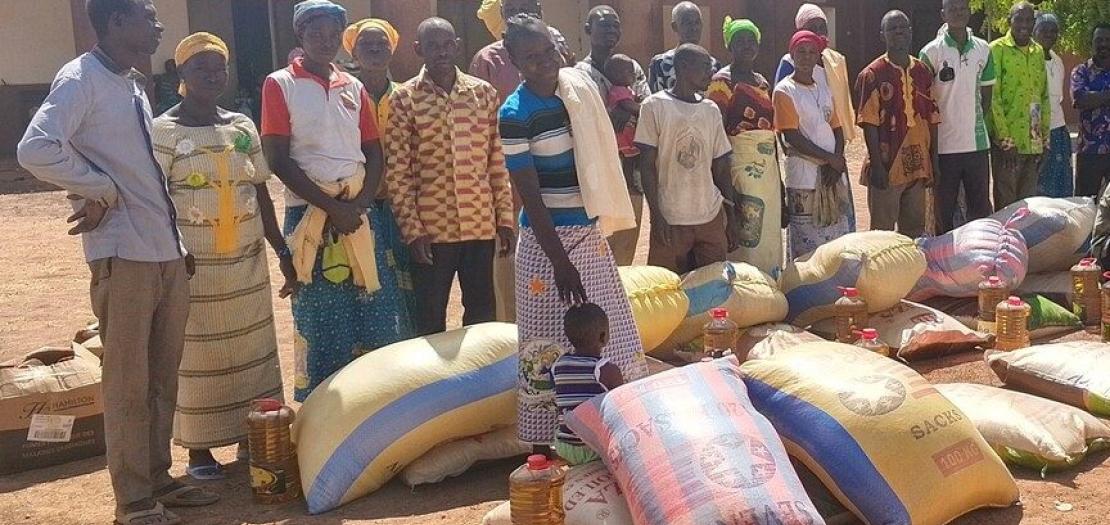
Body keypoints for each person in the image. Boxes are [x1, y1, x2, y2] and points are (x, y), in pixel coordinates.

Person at [17, 1, 219, 523]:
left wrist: (176, 242)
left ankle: (156, 478)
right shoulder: (79, 79)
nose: (157, 26)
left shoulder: (130, 82)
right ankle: (133, 501)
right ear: (114, 23)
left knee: (160, 376)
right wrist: (96, 188)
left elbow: (138, 168)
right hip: (123, 254)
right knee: (127, 381)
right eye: (146, 17)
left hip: (162, 250)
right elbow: (35, 148)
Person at [499, 14, 647, 450]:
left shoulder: (575, 92)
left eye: (549, 51)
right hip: (548, 251)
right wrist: (561, 265)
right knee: (548, 349)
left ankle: (614, 432)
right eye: (531, 57)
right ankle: (550, 447)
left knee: (611, 334)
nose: (544, 62)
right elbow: (531, 197)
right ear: (515, 61)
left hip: (589, 237)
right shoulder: (515, 114)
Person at [151, 32, 291, 480]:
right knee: (199, 357)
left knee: (253, 352)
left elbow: (261, 191)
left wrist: (281, 251)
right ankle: (198, 450)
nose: (212, 76)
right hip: (195, 269)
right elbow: (156, 200)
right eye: (200, 69)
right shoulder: (163, 132)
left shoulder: (241, 126)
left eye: (219, 68)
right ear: (180, 74)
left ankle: (255, 435)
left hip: (247, 266)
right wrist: (173, 250)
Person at [261, 0, 400, 401]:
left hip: (357, 213)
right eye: (315, 32)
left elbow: (373, 152)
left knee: (371, 307)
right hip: (311, 215)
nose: (325, 40)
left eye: (332, 32)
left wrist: (359, 205)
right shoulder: (280, 84)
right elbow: (278, 159)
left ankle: (370, 407)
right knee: (320, 316)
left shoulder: (352, 86)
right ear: (300, 36)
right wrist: (332, 208)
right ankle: (322, 413)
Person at [386, 18, 515, 336]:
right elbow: (398, 172)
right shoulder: (404, 99)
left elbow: (496, 161)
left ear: (456, 45)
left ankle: (480, 384)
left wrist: (505, 220)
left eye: (446, 45)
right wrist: (413, 231)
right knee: (430, 315)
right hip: (432, 231)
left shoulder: (482, 94)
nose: (441, 52)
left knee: (482, 311)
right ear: (419, 49)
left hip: (479, 224)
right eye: (432, 45)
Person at [469, 0, 543, 324]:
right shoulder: (487, 60)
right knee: (508, 259)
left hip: (549, 174)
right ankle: (510, 334)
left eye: (529, 5)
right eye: (513, 7)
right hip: (505, 180)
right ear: (503, 15)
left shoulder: (553, 52)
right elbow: (478, 127)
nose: (521, 13)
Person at [636, 44, 738, 274]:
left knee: (713, 288)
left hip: (708, 215)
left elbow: (721, 167)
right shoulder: (654, 106)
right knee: (667, 287)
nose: (709, 74)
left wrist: (730, 216)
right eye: (703, 67)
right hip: (671, 218)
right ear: (683, 66)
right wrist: (656, 216)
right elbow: (647, 166)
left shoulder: (710, 110)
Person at [343, 18, 418, 327]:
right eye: (366, 44)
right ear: (353, 52)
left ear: (392, 50)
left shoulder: (407, 96)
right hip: (356, 204)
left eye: (382, 43)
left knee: (407, 278)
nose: (374, 49)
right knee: (366, 279)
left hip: (402, 205)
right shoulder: (343, 96)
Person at [706, 17, 784, 276]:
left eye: (751, 41)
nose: (747, 46)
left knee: (768, 231)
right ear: (730, 46)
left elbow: (770, 131)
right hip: (737, 165)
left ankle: (770, 288)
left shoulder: (762, 82)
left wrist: (780, 181)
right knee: (744, 229)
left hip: (767, 170)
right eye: (740, 41)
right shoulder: (721, 82)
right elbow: (717, 131)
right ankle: (747, 289)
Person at [575, 5, 650, 265]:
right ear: (588, 29)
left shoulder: (632, 67)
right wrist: (615, 115)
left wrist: (625, 114)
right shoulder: (579, 74)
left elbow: (647, 109)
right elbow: (584, 120)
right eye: (604, 24)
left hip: (631, 171)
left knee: (627, 243)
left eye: (615, 25)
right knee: (597, 246)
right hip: (598, 173)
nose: (611, 30)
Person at [856, 11, 940, 238]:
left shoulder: (923, 72)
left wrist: (934, 160)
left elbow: (933, 118)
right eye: (892, 28)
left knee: (914, 231)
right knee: (881, 235)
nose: (899, 32)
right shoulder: (872, 75)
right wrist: (877, 166)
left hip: (918, 163)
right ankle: (882, 275)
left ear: (911, 32)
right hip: (887, 163)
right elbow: (868, 122)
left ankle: (909, 274)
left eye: (903, 27)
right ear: (882, 35)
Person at [919, 0, 996, 233]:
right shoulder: (930, 52)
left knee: (980, 210)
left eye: (963, 9)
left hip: (976, 146)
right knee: (943, 213)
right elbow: (923, 102)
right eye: (952, 9)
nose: (958, 13)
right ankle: (944, 265)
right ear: (943, 14)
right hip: (943, 148)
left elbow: (986, 98)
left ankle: (979, 260)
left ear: (970, 12)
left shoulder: (984, 49)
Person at [774, 30, 852, 259]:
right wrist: (831, 160)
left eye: (812, 52)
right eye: (801, 52)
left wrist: (836, 161)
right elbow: (792, 137)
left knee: (834, 240)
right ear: (792, 55)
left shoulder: (824, 89)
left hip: (832, 174)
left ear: (818, 56)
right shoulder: (784, 91)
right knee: (807, 243)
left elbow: (837, 128)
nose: (807, 57)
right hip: (805, 176)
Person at [988, 1, 1050, 210]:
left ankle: (1024, 244)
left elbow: (1042, 97)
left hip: (1032, 143)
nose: (1024, 24)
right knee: (1006, 206)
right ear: (1009, 21)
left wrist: (1043, 139)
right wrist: (1005, 141)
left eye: (1029, 20)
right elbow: (993, 98)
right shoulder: (997, 50)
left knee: (1028, 207)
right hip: (1008, 145)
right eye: (1019, 19)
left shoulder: (1038, 51)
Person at [550, 303, 624, 465]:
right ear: (603, 337)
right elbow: (622, 406)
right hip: (592, 448)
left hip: (564, 445)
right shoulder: (606, 370)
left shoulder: (558, 365)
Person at [775, 3, 858, 145]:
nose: (819, 33)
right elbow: (781, 106)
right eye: (812, 28)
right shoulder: (789, 61)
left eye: (822, 28)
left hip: (834, 133)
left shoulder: (836, 60)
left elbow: (843, 99)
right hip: (803, 140)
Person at [1031, 14, 1073, 198]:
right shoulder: (1029, 59)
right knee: (1040, 189)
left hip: (1059, 131)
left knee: (1062, 187)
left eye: (1053, 31)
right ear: (1034, 31)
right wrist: (1036, 138)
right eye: (1044, 30)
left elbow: (1059, 99)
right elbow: (1032, 101)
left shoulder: (1058, 61)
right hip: (1039, 133)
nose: (1049, 35)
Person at [648, 1, 720, 93]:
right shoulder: (660, 64)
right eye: (688, 23)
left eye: (697, 22)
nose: (694, 28)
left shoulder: (713, 65)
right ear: (674, 27)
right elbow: (655, 101)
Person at [1072, 23, 1110, 197]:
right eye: (1099, 40)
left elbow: (1088, 98)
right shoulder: (1081, 71)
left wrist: (1096, 97)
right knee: (1085, 204)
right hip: (1089, 152)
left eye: (1107, 40)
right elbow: (1080, 99)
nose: (1103, 44)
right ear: (1091, 43)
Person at [603, 54, 642, 158]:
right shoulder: (618, 90)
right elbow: (629, 106)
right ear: (617, 75)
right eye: (629, 71)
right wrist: (645, 108)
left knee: (631, 160)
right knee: (628, 161)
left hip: (629, 131)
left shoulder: (626, 89)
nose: (633, 74)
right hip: (623, 134)